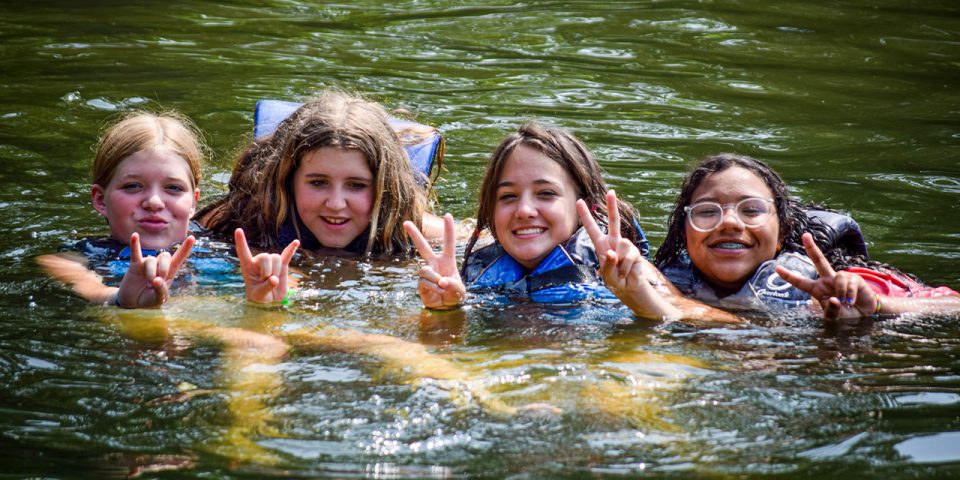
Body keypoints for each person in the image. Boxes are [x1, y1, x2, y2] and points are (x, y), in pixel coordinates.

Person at [404, 122, 739, 323]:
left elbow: (721, 325)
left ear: (586, 209)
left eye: (546, 194)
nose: (524, 210)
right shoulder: (469, 274)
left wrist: (639, 297)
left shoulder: (621, 271)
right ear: (490, 214)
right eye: (507, 197)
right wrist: (444, 312)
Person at [195, 91, 443, 303]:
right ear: (288, 181)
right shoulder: (238, 221)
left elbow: (478, 240)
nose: (335, 204)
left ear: (384, 190)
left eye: (356, 185)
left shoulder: (417, 231)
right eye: (318, 183)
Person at [650, 153, 959, 319]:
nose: (729, 223)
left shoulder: (845, 284)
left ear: (782, 232)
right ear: (684, 232)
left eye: (751, 210)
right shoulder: (658, 285)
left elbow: (953, 307)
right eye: (707, 212)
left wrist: (877, 307)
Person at [37, 112, 203, 308]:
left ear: (193, 202)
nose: (154, 202)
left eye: (174, 188)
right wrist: (121, 298)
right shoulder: (76, 259)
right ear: (101, 200)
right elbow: (89, 288)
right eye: (133, 186)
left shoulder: (227, 251)